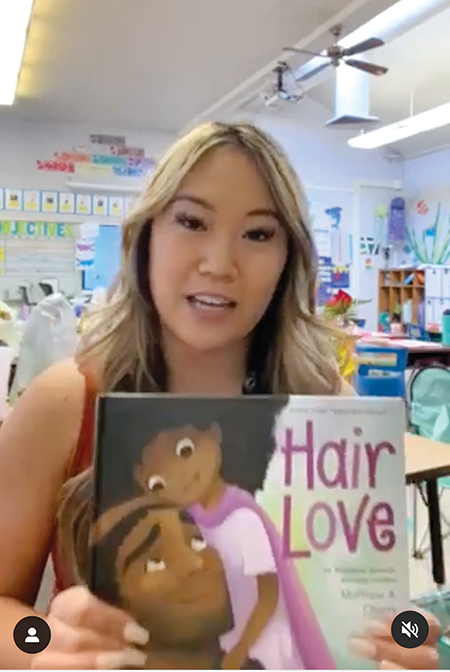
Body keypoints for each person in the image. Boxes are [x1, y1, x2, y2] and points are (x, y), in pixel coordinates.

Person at [0, 121, 440, 670]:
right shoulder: (69, 399)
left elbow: (384, 610)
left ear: (288, 260)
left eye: (258, 234)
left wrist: (403, 635)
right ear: (145, 236)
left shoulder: (323, 399)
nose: (219, 263)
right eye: (191, 221)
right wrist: (39, 643)